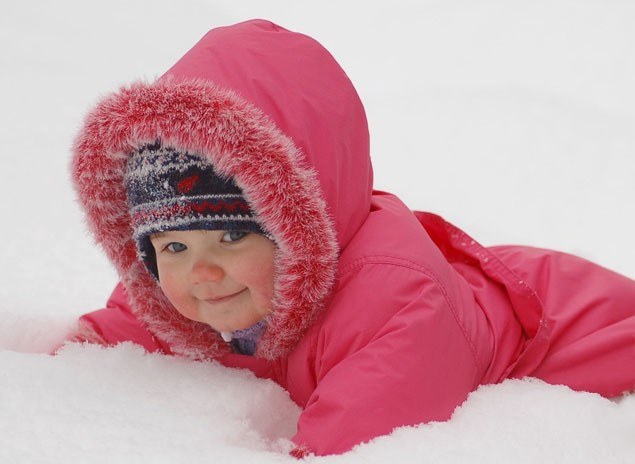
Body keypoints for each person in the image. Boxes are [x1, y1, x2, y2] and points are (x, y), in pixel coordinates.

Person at [63, 19, 635, 457]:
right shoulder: (192, 292)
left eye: (233, 236)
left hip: (588, 326)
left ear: (298, 226)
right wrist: (82, 349)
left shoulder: (395, 310)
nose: (202, 273)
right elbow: (141, 323)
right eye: (175, 247)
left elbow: (358, 443)